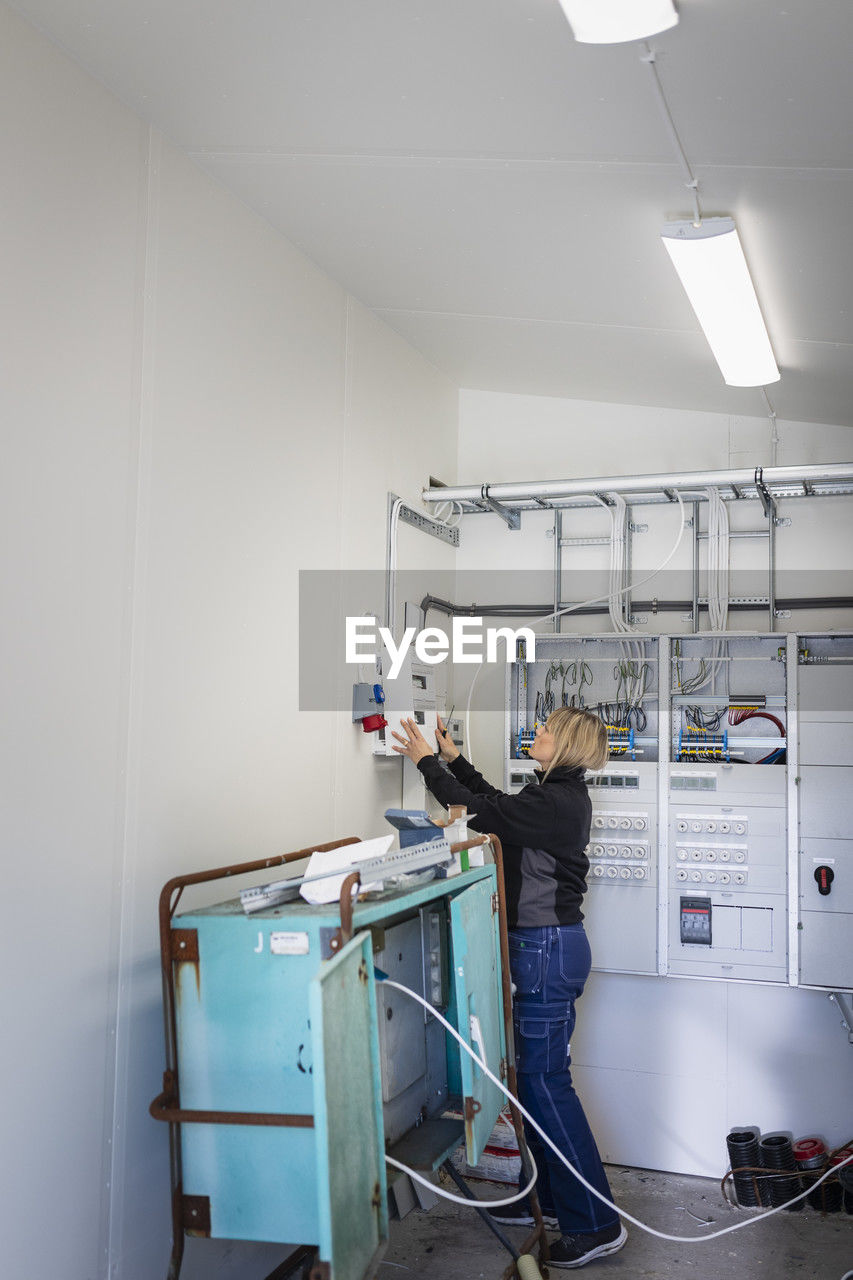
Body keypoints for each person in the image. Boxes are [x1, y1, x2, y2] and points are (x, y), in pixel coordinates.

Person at [391, 707, 627, 1270]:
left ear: (565, 743)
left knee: (546, 1087)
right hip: (546, 949)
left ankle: (596, 1225)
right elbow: (499, 803)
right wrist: (451, 759)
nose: (536, 733)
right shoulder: (550, 796)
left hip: (547, 952)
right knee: (535, 1084)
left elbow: (485, 812)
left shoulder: (558, 803)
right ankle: (543, 1200)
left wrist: (423, 760)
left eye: (545, 729)